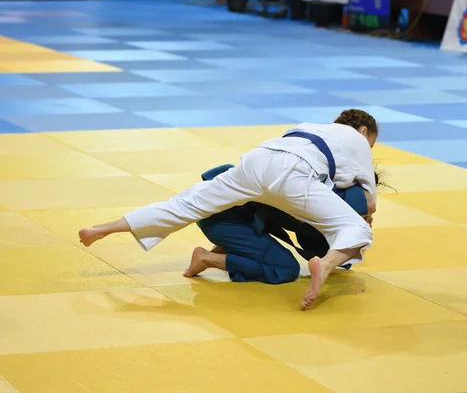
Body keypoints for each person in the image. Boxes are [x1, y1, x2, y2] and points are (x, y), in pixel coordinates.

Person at [78, 109, 379, 310]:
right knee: (358, 227)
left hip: (256, 161)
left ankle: (101, 229)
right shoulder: (358, 141)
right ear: (364, 131)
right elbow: (370, 202)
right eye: (373, 143)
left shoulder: (308, 125)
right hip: (293, 175)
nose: (371, 148)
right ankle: (325, 265)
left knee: (184, 205)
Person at [189, 163, 378, 285]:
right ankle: (206, 258)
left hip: (217, 205)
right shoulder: (321, 199)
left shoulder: (316, 175)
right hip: (221, 216)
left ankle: (230, 245)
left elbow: (336, 260)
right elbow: (332, 255)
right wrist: (354, 231)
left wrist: (353, 231)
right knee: (285, 269)